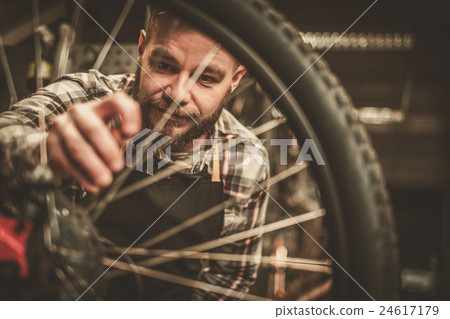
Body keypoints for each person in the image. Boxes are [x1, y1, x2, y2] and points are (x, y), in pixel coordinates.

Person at [0, 9, 269, 300]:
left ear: (235, 78)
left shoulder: (244, 160)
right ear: (142, 50)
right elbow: (9, 130)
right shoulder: (87, 97)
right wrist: (41, 150)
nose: (178, 94)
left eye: (206, 78)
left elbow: (229, 281)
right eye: (165, 65)